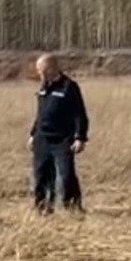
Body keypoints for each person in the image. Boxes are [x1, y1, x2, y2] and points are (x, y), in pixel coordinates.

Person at [27, 53, 88, 215]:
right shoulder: (43, 87)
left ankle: (73, 207)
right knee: (41, 176)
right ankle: (43, 208)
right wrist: (33, 134)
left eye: (43, 70)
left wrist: (80, 137)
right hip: (42, 139)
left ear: (53, 68)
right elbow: (40, 114)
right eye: (39, 71)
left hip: (62, 140)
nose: (40, 74)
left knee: (66, 175)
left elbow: (79, 114)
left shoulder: (69, 87)